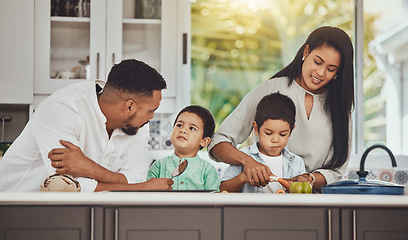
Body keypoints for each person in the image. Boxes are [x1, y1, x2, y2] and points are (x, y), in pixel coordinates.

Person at [208, 26, 354, 191]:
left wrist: (307, 180)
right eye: (317, 62)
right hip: (263, 199)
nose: (320, 72)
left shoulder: (340, 107)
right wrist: (249, 162)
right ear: (306, 52)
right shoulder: (271, 89)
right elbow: (218, 142)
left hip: (312, 204)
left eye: (331, 69)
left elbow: (336, 170)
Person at [0, 59, 174, 192]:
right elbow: (67, 187)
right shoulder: (62, 109)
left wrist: (90, 168)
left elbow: (136, 177)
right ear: (129, 106)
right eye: (151, 110)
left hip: (70, 213)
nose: (151, 117)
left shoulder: (137, 124)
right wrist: (142, 188)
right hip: (15, 207)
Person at [220, 93, 305, 193]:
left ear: (291, 130)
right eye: (268, 133)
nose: (275, 140)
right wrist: (243, 177)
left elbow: (302, 196)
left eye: (283, 134)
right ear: (256, 128)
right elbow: (223, 189)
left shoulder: (296, 162)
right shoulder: (244, 157)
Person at [147, 105, 220, 191]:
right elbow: (148, 195)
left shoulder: (208, 170)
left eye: (192, 128)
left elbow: (213, 200)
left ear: (204, 141)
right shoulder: (158, 166)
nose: (183, 130)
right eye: (179, 125)